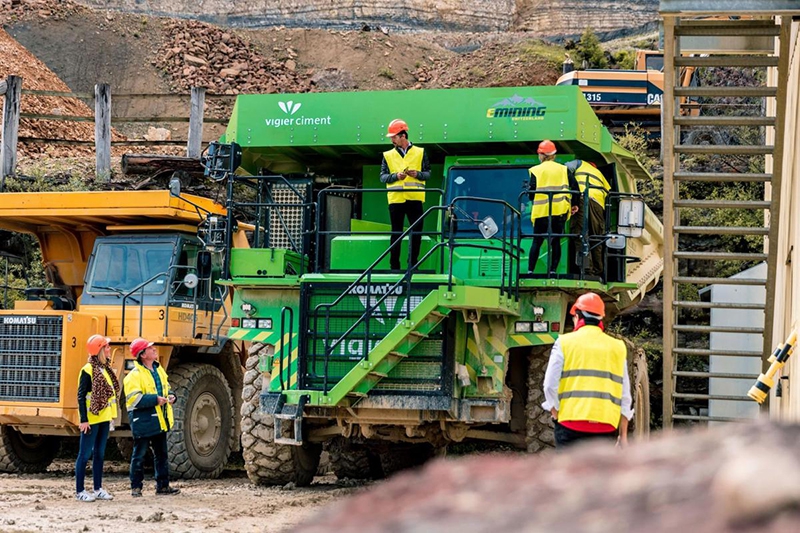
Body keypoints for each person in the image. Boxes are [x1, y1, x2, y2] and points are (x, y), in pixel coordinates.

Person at [541, 292, 632, 449]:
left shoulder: (564, 343)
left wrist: (556, 414)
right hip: (606, 426)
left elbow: (549, 385)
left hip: (570, 424)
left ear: (577, 316)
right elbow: (625, 395)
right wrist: (623, 435)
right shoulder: (617, 347)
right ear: (600, 318)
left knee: (568, 472)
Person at [124, 337, 180, 497]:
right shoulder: (134, 376)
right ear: (142, 354)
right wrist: (156, 400)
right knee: (139, 455)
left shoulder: (159, 369)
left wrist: (171, 396)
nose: (154, 349)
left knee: (161, 455)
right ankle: (136, 488)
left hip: (159, 420)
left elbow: (167, 387)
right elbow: (134, 399)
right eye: (150, 348)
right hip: (143, 421)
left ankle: (163, 486)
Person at [380, 118, 431, 271]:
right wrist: (396, 176)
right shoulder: (387, 155)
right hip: (396, 200)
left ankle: (412, 264)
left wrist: (418, 174)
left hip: (415, 198)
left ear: (403, 136)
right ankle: (394, 266)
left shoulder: (420, 152)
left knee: (416, 233)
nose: (392, 140)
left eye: (394, 137)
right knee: (396, 233)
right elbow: (382, 177)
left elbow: (428, 174)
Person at [75, 334, 120, 502]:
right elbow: (81, 396)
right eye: (107, 347)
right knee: (84, 454)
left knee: (100, 454)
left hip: (103, 419)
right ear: (100, 350)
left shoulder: (105, 369)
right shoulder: (87, 370)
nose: (109, 349)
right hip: (91, 420)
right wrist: (84, 420)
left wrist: (110, 418)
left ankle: (97, 488)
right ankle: (79, 491)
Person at [527, 140, 580, 275]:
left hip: (541, 212)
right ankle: (552, 270)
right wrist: (575, 204)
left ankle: (530, 270)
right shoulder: (563, 169)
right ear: (553, 155)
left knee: (537, 241)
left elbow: (531, 194)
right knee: (555, 240)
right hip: (559, 211)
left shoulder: (535, 170)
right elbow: (575, 187)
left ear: (540, 155)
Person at [566, 159, 611, 277]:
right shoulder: (600, 175)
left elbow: (564, 170)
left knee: (579, 234)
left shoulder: (579, 163)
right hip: (598, 205)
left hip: (582, 198)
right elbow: (608, 193)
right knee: (596, 237)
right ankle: (597, 269)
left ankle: (586, 269)